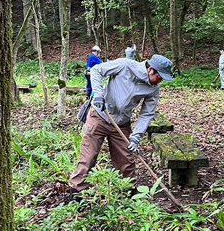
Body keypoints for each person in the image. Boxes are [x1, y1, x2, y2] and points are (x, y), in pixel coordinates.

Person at [71, 54, 175, 191]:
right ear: (150, 69)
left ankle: (128, 194)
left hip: (121, 123)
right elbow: (96, 70)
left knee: (126, 162)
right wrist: (98, 94)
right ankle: (77, 194)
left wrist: (135, 137)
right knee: (88, 158)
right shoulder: (124, 66)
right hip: (99, 116)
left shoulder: (153, 88)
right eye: (159, 77)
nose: (159, 81)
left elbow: (147, 113)